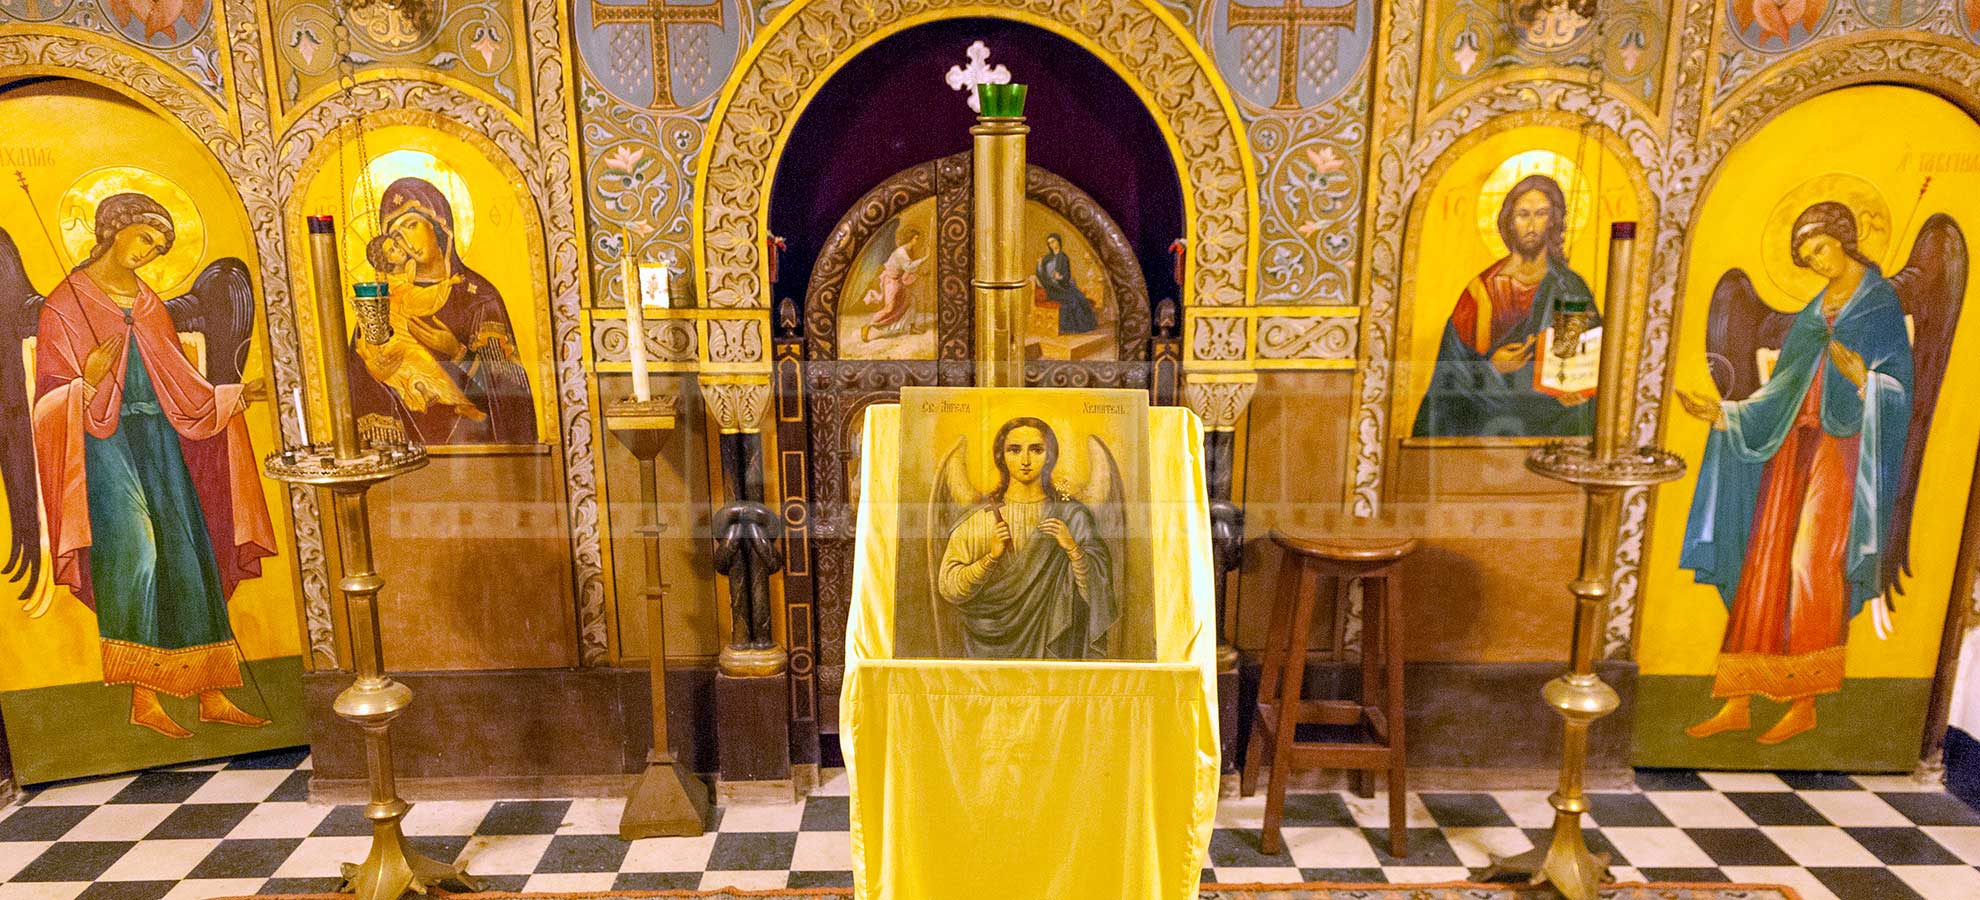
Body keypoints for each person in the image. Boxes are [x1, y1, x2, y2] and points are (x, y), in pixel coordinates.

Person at [30, 193, 277, 738]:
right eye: (145, 238)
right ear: (114, 229)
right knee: (136, 552)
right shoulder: (64, 305)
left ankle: (212, 693)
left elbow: (183, 384)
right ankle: (145, 699)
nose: (149, 252)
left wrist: (233, 396)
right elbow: (45, 404)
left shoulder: (149, 304)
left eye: (160, 247)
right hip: (104, 446)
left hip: (163, 440)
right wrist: (87, 380)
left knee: (190, 553)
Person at [1676, 202, 1912, 745]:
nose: (1818, 262)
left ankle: (1804, 701)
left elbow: (1903, 391)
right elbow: (1781, 389)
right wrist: (1726, 415)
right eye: (1808, 257)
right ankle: (1739, 699)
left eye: (1822, 248)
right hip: (1792, 444)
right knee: (1764, 561)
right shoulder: (1811, 313)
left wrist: (1867, 382)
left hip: (1844, 446)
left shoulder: (1880, 305)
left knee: (1812, 561)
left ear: (1844, 239)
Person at [347, 177, 536, 444]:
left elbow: (513, 394)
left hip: (474, 451)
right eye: (396, 235)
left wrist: (457, 353)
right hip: (404, 450)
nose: (406, 241)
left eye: (411, 225)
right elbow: (356, 383)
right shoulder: (384, 302)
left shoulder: (479, 298)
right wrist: (378, 369)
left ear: (439, 225)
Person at [1412, 174, 1598, 438]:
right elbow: (1451, 374)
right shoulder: (1481, 291)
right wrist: (1492, 368)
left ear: (1553, 221)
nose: (1531, 225)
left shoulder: (1569, 287)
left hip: (1555, 424)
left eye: (1541, 214)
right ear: (1509, 221)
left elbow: (1589, 358)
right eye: (1523, 214)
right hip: (1486, 423)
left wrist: (1579, 390)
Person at [937, 417, 1116, 659]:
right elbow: (949, 586)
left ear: (1050, 456)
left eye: (1036, 450)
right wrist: (990, 559)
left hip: (1053, 651)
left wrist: (1073, 550)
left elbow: (1099, 591)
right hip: (987, 652)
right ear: (1001, 457)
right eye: (1014, 450)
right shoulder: (979, 518)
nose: (1025, 460)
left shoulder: (1072, 517)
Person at [859, 227, 927, 342]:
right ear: (909, 239)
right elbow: (909, 267)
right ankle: (867, 326)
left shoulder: (907, 251)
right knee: (889, 309)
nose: (917, 241)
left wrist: (921, 273)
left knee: (911, 300)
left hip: (898, 281)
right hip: (891, 281)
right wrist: (924, 259)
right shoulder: (901, 252)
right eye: (915, 238)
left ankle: (912, 327)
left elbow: (906, 269)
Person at [1034, 232, 1099, 334]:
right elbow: (1041, 276)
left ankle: (1087, 325)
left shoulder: (1064, 257)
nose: (1051, 244)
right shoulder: (1046, 259)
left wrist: (1061, 278)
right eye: (1049, 243)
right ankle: (1070, 328)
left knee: (1081, 298)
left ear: (1058, 242)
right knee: (1073, 300)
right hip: (1053, 289)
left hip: (1064, 285)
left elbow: (1067, 275)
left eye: (1053, 241)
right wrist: (1039, 265)